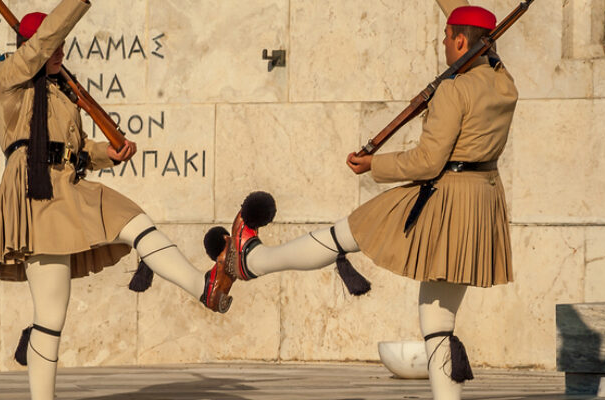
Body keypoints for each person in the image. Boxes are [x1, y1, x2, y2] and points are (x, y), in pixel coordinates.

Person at [215, 3, 517, 399]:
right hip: (482, 202)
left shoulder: (453, 89)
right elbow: (482, 42)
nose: (442, 43)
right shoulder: (504, 83)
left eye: (446, 37)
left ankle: (251, 260)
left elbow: (427, 161)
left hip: (443, 198)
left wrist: (374, 164)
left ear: (460, 41)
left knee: (345, 233)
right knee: (438, 318)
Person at [0, 1, 234, 398]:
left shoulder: (60, 94)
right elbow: (41, 47)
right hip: (35, 194)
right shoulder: (7, 78)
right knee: (51, 317)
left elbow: (72, 148)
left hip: (69, 187)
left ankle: (203, 286)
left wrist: (104, 155)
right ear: (31, 46)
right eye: (54, 45)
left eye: (61, 46)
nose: (60, 52)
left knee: (136, 221)